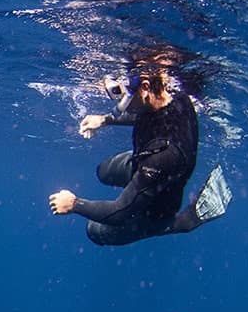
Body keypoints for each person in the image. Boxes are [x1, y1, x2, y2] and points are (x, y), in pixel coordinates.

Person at [49, 68, 230, 246]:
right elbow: (144, 114)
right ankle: (139, 189)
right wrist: (105, 120)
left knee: (94, 231)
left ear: (144, 88)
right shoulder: (170, 96)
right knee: (103, 172)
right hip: (150, 164)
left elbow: (119, 213)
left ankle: (186, 220)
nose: (121, 104)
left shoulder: (163, 156)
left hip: (158, 204)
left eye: (125, 97)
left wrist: (74, 204)